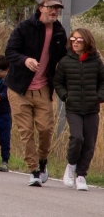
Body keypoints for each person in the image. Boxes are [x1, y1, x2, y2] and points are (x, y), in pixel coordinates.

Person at [4, 0, 67, 186]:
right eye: (50, 7)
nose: (54, 11)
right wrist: (26, 60)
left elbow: (63, 56)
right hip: (18, 89)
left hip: (43, 89)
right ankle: (33, 171)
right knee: (26, 131)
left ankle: (42, 161)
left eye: (57, 8)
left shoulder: (58, 31)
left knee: (46, 129)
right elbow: (10, 52)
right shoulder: (24, 27)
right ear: (40, 7)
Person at [54, 28, 104, 191]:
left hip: (91, 108)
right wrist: (65, 96)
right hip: (73, 107)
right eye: (73, 39)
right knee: (77, 138)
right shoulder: (65, 61)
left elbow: (103, 81)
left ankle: (81, 175)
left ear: (87, 41)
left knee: (89, 143)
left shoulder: (96, 61)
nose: (75, 42)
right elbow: (58, 83)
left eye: (79, 40)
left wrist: (99, 96)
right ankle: (71, 165)